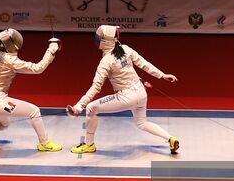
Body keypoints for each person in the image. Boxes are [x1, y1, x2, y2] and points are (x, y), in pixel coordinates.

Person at [66, 24, 179, 155]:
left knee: (90, 108)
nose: (96, 41)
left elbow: (96, 87)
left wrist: (79, 106)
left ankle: (89, 145)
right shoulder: (125, 49)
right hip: (141, 93)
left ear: (105, 42)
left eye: (99, 38)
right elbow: (144, 64)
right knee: (142, 123)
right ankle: (171, 138)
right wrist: (162, 75)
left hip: (126, 97)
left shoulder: (106, 61)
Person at [0, 29, 65, 153]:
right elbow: (38, 68)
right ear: (13, 45)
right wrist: (51, 50)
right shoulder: (11, 61)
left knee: (4, 124)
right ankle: (45, 143)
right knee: (34, 111)